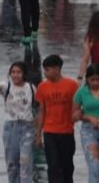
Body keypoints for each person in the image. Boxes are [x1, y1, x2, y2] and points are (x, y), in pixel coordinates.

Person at [36, 54, 79, 183]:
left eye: (48, 69)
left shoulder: (72, 85)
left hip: (67, 132)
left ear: (57, 69)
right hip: (50, 132)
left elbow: (76, 107)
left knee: (67, 167)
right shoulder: (42, 87)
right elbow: (41, 111)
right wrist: (38, 134)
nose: (45, 73)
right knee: (53, 166)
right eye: (44, 69)